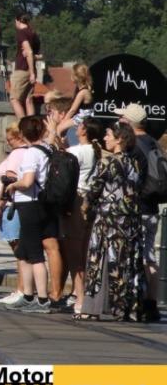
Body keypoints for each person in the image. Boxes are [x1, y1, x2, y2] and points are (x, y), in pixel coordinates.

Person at [80, 123, 145, 321]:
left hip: (108, 219)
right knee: (125, 261)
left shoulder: (107, 162)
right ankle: (124, 308)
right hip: (130, 220)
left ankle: (96, 307)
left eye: (108, 135)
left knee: (102, 259)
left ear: (119, 139)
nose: (104, 138)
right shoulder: (135, 163)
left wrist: (85, 206)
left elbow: (94, 189)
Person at [1, 115, 61, 313]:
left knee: (35, 254)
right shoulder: (46, 149)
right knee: (24, 252)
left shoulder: (31, 154)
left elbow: (27, 182)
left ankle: (42, 300)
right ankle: (27, 295)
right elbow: (50, 141)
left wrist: (12, 185)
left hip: (30, 205)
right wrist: (52, 130)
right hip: (43, 205)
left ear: (22, 134)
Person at [119, 103, 163, 322]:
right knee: (149, 255)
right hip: (152, 207)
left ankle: (136, 303)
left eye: (122, 119)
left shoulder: (134, 146)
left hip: (138, 207)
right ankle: (151, 303)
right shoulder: (154, 142)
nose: (119, 122)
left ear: (129, 122)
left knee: (135, 256)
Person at [63, 118, 103, 317]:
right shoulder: (97, 151)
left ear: (84, 131)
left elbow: (62, 168)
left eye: (79, 126)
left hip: (77, 200)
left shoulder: (76, 152)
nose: (76, 128)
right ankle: (84, 295)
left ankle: (80, 297)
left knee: (74, 253)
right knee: (86, 251)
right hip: (92, 200)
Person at [0, 124, 30, 307]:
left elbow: (10, 181)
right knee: (21, 250)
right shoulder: (28, 152)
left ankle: (22, 289)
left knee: (19, 251)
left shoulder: (17, 154)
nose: (8, 143)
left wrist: (0, 204)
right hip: (18, 205)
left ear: (19, 137)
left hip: (11, 206)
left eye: (10, 139)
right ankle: (22, 289)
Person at [10, 13, 40, 118]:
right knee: (28, 99)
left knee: (14, 99)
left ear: (17, 20)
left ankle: (24, 124)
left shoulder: (21, 33)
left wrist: (31, 73)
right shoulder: (33, 33)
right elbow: (38, 55)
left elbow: (29, 51)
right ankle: (32, 125)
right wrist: (32, 72)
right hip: (32, 70)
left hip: (22, 69)